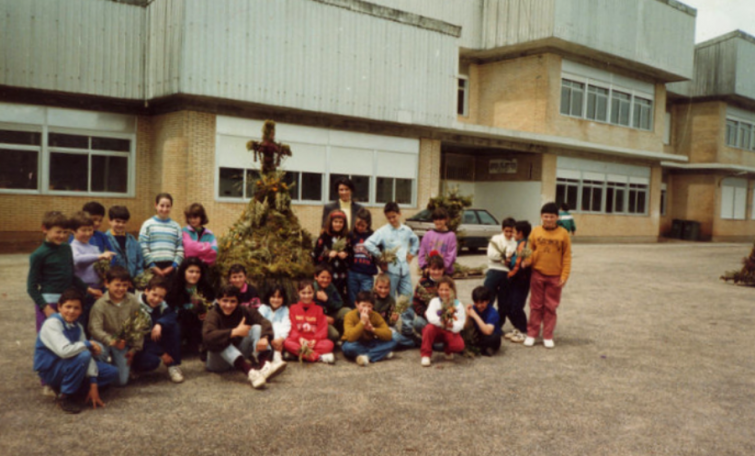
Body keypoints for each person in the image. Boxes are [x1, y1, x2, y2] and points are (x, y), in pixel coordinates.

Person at [34, 289, 119, 414]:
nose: (72, 311)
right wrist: (87, 344)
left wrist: (93, 384)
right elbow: (64, 351)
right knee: (83, 354)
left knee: (111, 372)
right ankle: (65, 396)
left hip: (70, 364)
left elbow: (87, 355)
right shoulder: (52, 324)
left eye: (76, 308)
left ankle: (73, 389)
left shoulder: (77, 327)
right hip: (52, 368)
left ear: (81, 310)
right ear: (59, 307)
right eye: (68, 307)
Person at [202, 285, 277, 389]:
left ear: (238, 302)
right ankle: (250, 372)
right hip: (217, 363)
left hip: (237, 357)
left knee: (256, 328)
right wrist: (234, 332)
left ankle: (265, 366)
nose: (228, 305)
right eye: (225, 300)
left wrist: (265, 337)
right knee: (220, 339)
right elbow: (207, 336)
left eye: (233, 301)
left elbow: (264, 321)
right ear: (218, 300)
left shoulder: (243, 310)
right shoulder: (213, 314)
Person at [28, 211, 89, 333]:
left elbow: (70, 275)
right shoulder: (38, 255)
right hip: (48, 302)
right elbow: (31, 287)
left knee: (67, 336)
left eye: (65, 232)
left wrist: (88, 289)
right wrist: (45, 308)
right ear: (45, 229)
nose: (62, 236)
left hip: (67, 302)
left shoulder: (66, 249)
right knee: (49, 337)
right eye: (58, 232)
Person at [524, 202, 572, 348]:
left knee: (550, 306)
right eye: (546, 216)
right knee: (536, 306)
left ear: (557, 217)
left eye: (552, 217)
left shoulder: (563, 234)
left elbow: (567, 256)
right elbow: (529, 249)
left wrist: (564, 276)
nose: (548, 219)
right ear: (541, 217)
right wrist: (526, 261)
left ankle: (548, 335)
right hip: (537, 273)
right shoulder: (535, 231)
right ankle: (532, 334)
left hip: (555, 276)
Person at [88, 266, 143, 387]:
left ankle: (115, 366)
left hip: (122, 343)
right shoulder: (100, 304)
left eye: (124, 285)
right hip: (103, 340)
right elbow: (95, 328)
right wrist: (111, 340)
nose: (121, 288)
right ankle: (98, 374)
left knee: (122, 381)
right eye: (117, 285)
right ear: (107, 284)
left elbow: (138, 326)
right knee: (99, 351)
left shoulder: (133, 301)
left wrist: (134, 349)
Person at [131, 276, 184, 383]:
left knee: (173, 326)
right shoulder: (136, 306)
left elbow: (172, 315)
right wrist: (162, 353)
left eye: (161, 297)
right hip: (139, 344)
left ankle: (173, 366)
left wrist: (160, 323)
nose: (156, 300)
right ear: (146, 291)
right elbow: (141, 338)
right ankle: (134, 367)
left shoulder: (162, 305)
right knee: (152, 362)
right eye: (154, 295)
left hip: (154, 336)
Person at [69, 211, 116, 330]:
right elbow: (77, 260)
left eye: (90, 230)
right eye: (83, 230)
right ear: (73, 231)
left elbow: (98, 269)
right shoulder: (72, 247)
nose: (87, 233)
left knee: (95, 322)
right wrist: (99, 257)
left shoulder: (94, 248)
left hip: (97, 290)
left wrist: (104, 270)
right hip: (82, 291)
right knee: (80, 322)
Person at [364, 201, 419, 298]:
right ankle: (389, 313)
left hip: (405, 270)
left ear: (399, 214)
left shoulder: (407, 230)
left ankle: (407, 314)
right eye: (389, 218)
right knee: (389, 299)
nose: (392, 220)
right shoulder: (383, 231)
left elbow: (416, 240)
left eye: (394, 216)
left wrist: (411, 253)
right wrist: (381, 256)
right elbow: (368, 243)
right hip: (390, 271)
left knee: (408, 299)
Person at [166, 257, 215, 358]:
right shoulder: (175, 288)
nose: (194, 275)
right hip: (181, 322)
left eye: (197, 272)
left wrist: (208, 313)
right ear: (184, 272)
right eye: (191, 271)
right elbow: (169, 310)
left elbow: (213, 306)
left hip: (200, 324)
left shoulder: (206, 288)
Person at [283, 279, 335, 364]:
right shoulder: (293, 308)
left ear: (314, 292)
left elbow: (323, 329)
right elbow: (291, 329)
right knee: (287, 343)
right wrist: (299, 339)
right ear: (298, 292)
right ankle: (319, 357)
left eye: (309, 293)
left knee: (329, 344)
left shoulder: (319, 309)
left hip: (313, 342)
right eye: (303, 293)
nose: (306, 296)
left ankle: (297, 355)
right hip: (299, 341)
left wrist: (315, 340)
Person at [399, 254, 446, 346]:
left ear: (443, 269)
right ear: (428, 268)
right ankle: (425, 338)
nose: (436, 272)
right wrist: (424, 313)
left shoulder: (446, 282)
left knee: (441, 346)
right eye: (433, 269)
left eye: (439, 269)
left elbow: (453, 301)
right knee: (418, 322)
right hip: (427, 318)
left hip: (442, 320)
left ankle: (433, 340)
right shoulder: (423, 282)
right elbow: (416, 302)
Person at [341, 291, 397, 366]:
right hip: (355, 343)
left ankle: (367, 356)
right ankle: (379, 353)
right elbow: (350, 337)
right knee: (348, 348)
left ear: (373, 306)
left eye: (369, 306)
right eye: (363, 305)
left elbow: (388, 334)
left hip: (369, 342)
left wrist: (372, 329)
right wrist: (362, 322)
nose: (366, 309)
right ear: (356, 304)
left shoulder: (376, 315)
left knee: (393, 341)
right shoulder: (349, 316)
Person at [421, 277, 466, 367]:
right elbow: (430, 316)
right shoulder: (434, 301)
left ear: (452, 290)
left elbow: (461, 323)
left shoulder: (457, 304)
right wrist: (442, 322)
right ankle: (426, 355)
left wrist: (451, 325)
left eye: (447, 290)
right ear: (437, 290)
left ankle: (448, 350)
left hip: (450, 330)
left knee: (459, 346)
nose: (444, 292)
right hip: (437, 328)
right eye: (441, 289)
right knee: (428, 328)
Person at [483, 217, 517, 335]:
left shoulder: (515, 242)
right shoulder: (496, 239)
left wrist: (510, 260)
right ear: (502, 229)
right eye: (506, 231)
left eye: (511, 231)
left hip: (507, 274)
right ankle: (484, 323)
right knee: (488, 298)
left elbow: (515, 258)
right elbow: (491, 254)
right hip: (494, 271)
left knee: (504, 302)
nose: (509, 234)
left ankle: (498, 326)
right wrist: (504, 259)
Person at [139, 193, 184, 282]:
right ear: (156, 205)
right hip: (152, 267)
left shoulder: (176, 226)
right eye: (162, 205)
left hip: (170, 268)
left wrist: (173, 266)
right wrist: (152, 266)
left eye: (168, 206)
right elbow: (143, 246)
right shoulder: (147, 225)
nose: (164, 209)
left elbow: (180, 248)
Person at [312, 210, 351, 303]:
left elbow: (352, 255)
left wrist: (346, 255)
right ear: (331, 222)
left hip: (341, 275)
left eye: (341, 222)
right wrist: (327, 254)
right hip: (327, 275)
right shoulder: (324, 236)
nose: (338, 224)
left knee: (339, 296)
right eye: (335, 222)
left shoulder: (347, 238)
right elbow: (315, 254)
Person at [505, 220, 532, 344]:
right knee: (510, 304)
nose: (513, 235)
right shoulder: (519, 244)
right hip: (516, 279)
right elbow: (515, 261)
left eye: (515, 232)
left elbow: (520, 265)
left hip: (521, 280)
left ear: (521, 233)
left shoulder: (525, 245)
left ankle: (523, 331)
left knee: (517, 305)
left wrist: (509, 274)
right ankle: (517, 328)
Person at [348, 208, 378, 307]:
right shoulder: (351, 235)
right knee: (353, 298)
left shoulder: (373, 236)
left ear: (368, 224)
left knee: (366, 299)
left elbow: (379, 253)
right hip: (353, 272)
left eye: (363, 226)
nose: (360, 228)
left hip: (367, 274)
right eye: (357, 225)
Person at [105, 206, 145, 280]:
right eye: (117, 221)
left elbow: (140, 263)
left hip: (132, 283)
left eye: (124, 222)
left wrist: (138, 279)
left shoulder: (133, 241)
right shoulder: (104, 240)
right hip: (113, 283)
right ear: (109, 221)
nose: (120, 225)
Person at [313, 264, 350, 342]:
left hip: (331, 314)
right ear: (316, 277)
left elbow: (340, 303)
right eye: (323, 277)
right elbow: (308, 311)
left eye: (328, 278)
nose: (325, 280)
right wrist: (323, 318)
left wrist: (327, 300)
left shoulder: (330, 286)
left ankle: (347, 335)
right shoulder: (312, 289)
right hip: (319, 319)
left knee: (347, 311)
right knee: (334, 335)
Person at [257, 284, 290, 370]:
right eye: (273, 297)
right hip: (264, 339)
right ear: (268, 297)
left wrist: (281, 339)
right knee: (270, 324)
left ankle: (277, 355)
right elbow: (258, 323)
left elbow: (286, 325)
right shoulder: (263, 308)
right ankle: (266, 359)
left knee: (278, 324)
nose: (276, 300)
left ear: (283, 298)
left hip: (277, 341)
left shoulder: (285, 310)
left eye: (279, 297)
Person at [418, 208, 457, 276]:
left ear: (446, 219)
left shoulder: (451, 236)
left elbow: (451, 255)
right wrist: (424, 267)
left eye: (440, 219)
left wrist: (441, 269)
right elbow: (421, 252)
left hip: (445, 273)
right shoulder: (428, 234)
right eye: (436, 219)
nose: (438, 222)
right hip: (430, 271)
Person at [465, 286, 502, 356]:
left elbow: (488, 331)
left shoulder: (492, 313)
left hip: (490, 336)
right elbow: (465, 327)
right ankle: (482, 349)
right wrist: (467, 314)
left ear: (488, 301)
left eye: (482, 303)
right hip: (478, 334)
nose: (479, 306)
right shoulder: (473, 308)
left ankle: (484, 348)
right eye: (476, 302)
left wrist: (475, 316)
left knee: (494, 338)